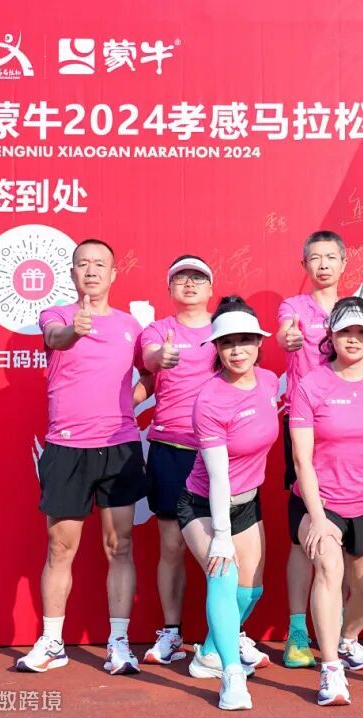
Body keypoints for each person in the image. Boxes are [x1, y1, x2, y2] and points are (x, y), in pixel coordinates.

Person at [17, 239, 147, 675]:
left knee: (120, 545)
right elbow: (56, 337)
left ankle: (118, 644)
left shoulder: (130, 326)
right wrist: (76, 329)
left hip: (119, 447)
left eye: (99, 265)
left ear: (113, 274)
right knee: (60, 547)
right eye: (83, 264)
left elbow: (148, 372)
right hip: (67, 448)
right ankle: (52, 642)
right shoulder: (55, 316)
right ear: (72, 272)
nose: (91, 271)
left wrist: (127, 402)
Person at [288, 297, 363, 706]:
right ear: (331, 336)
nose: (353, 340)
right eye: (345, 331)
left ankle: (347, 639)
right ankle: (331, 668)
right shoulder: (311, 386)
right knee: (328, 570)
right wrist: (318, 519)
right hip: (322, 503)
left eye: (362, 332)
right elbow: (301, 459)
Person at [176, 296, 277, 710]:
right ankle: (231, 676)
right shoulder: (210, 400)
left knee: (251, 591)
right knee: (224, 576)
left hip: (247, 503)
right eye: (227, 342)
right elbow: (218, 476)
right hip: (203, 504)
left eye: (245, 340)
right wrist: (221, 535)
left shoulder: (270, 382)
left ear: (259, 342)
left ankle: (209, 653)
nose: (237, 350)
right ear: (216, 348)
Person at [136, 256, 214, 666]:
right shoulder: (158, 331)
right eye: (181, 278)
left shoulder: (224, 329)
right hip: (169, 448)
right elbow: (150, 358)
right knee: (171, 546)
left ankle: (227, 635)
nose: (189, 284)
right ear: (169, 289)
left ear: (210, 289)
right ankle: (171, 632)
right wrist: (159, 358)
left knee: (223, 546)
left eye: (198, 278)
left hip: (216, 451)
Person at [276, 230, 348, 669]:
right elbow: (286, 333)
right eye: (315, 258)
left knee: (341, 533)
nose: (323, 265)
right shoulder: (295, 307)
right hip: (304, 425)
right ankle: (298, 629)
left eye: (330, 257)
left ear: (343, 263)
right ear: (304, 265)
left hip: (347, 425)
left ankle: (336, 630)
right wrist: (289, 338)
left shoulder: (354, 308)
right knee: (303, 534)